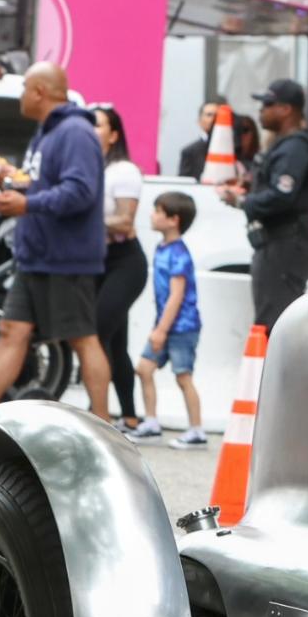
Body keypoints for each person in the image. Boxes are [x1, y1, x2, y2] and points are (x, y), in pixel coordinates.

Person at [0, 63, 111, 426]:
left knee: (81, 338)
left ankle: (105, 423)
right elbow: (42, 187)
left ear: (40, 92)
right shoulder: (46, 134)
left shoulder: (75, 132)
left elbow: (80, 192)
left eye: (24, 88)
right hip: (36, 256)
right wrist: (7, 184)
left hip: (65, 258)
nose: (21, 97)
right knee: (12, 330)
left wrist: (26, 203)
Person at [219, 78, 308, 331]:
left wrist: (242, 200)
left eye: (267, 104)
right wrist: (249, 185)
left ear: (286, 109)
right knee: (271, 320)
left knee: (274, 325)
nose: (261, 111)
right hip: (278, 244)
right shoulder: (283, 146)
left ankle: (278, 372)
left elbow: (282, 196)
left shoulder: (295, 148)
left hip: (286, 245)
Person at [128, 191, 206, 449]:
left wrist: (161, 330)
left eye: (158, 211)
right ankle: (151, 423)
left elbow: (176, 295)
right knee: (144, 368)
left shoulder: (178, 253)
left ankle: (196, 431)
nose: (152, 215)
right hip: (164, 324)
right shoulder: (161, 248)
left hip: (181, 326)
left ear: (174, 219)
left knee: (183, 376)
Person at [92, 105, 147, 430]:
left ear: (113, 135)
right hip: (97, 262)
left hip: (125, 262)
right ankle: (129, 416)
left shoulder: (123, 171)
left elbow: (125, 222)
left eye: (97, 125)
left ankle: (95, 413)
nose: (90, 129)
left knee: (96, 334)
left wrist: (86, 223)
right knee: (114, 341)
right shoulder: (91, 169)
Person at [177, 97, 225, 179]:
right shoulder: (189, 152)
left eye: (217, 115)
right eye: (209, 115)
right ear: (199, 121)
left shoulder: (229, 147)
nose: (213, 119)